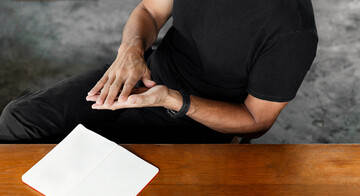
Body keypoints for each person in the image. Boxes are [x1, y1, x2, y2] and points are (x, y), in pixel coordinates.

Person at [0, 0, 318, 144]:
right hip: (146, 74)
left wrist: (170, 99)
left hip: (194, 118)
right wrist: (130, 52)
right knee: (20, 120)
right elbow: (150, 10)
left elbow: (254, 120)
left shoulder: (292, 31)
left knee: (101, 172)